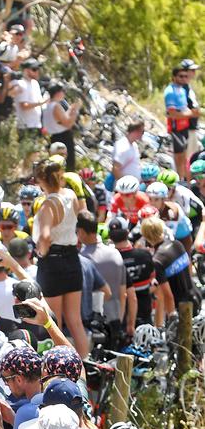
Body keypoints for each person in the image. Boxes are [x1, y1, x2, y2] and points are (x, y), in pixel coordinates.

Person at [32, 159, 88, 357]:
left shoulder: (48, 204)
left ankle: (62, 364)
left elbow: (45, 236)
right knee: (75, 320)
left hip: (52, 261)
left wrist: (41, 252)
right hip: (72, 257)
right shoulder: (71, 195)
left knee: (54, 322)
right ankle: (85, 363)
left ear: (41, 180)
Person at [77, 211, 129, 344]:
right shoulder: (115, 253)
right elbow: (123, 294)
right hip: (117, 318)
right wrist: (120, 321)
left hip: (96, 325)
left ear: (81, 232)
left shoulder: (82, 260)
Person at [165, 66, 197, 180]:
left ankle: (184, 179)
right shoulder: (170, 92)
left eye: (185, 76)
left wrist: (192, 112)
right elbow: (172, 113)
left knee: (185, 157)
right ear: (174, 77)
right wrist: (191, 114)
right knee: (178, 157)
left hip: (185, 127)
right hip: (176, 128)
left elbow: (184, 109)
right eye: (181, 76)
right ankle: (179, 180)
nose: (184, 79)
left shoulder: (182, 90)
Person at [42, 82, 80, 171]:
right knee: (68, 165)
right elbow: (68, 124)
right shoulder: (56, 106)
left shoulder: (48, 106)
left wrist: (70, 109)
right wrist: (75, 112)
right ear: (58, 93)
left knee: (57, 165)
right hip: (64, 137)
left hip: (55, 137)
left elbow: (60, 119)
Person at [12, 58, 45, 138]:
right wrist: (42, 102)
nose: (37, 72)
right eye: (34, 69)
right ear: (26, 71)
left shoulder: (35, 83)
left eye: (38, 69)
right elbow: (24, 106)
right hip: (25, 126)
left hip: (36, 124)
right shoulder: (21, 84)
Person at [111, 118, 144, 184]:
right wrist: (125, 184)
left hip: (133, 187)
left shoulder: (134, 145)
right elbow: (115, 169)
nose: (143, 134)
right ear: (136, 131)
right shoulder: (122, 146)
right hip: (124, 189)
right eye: (142, 131)